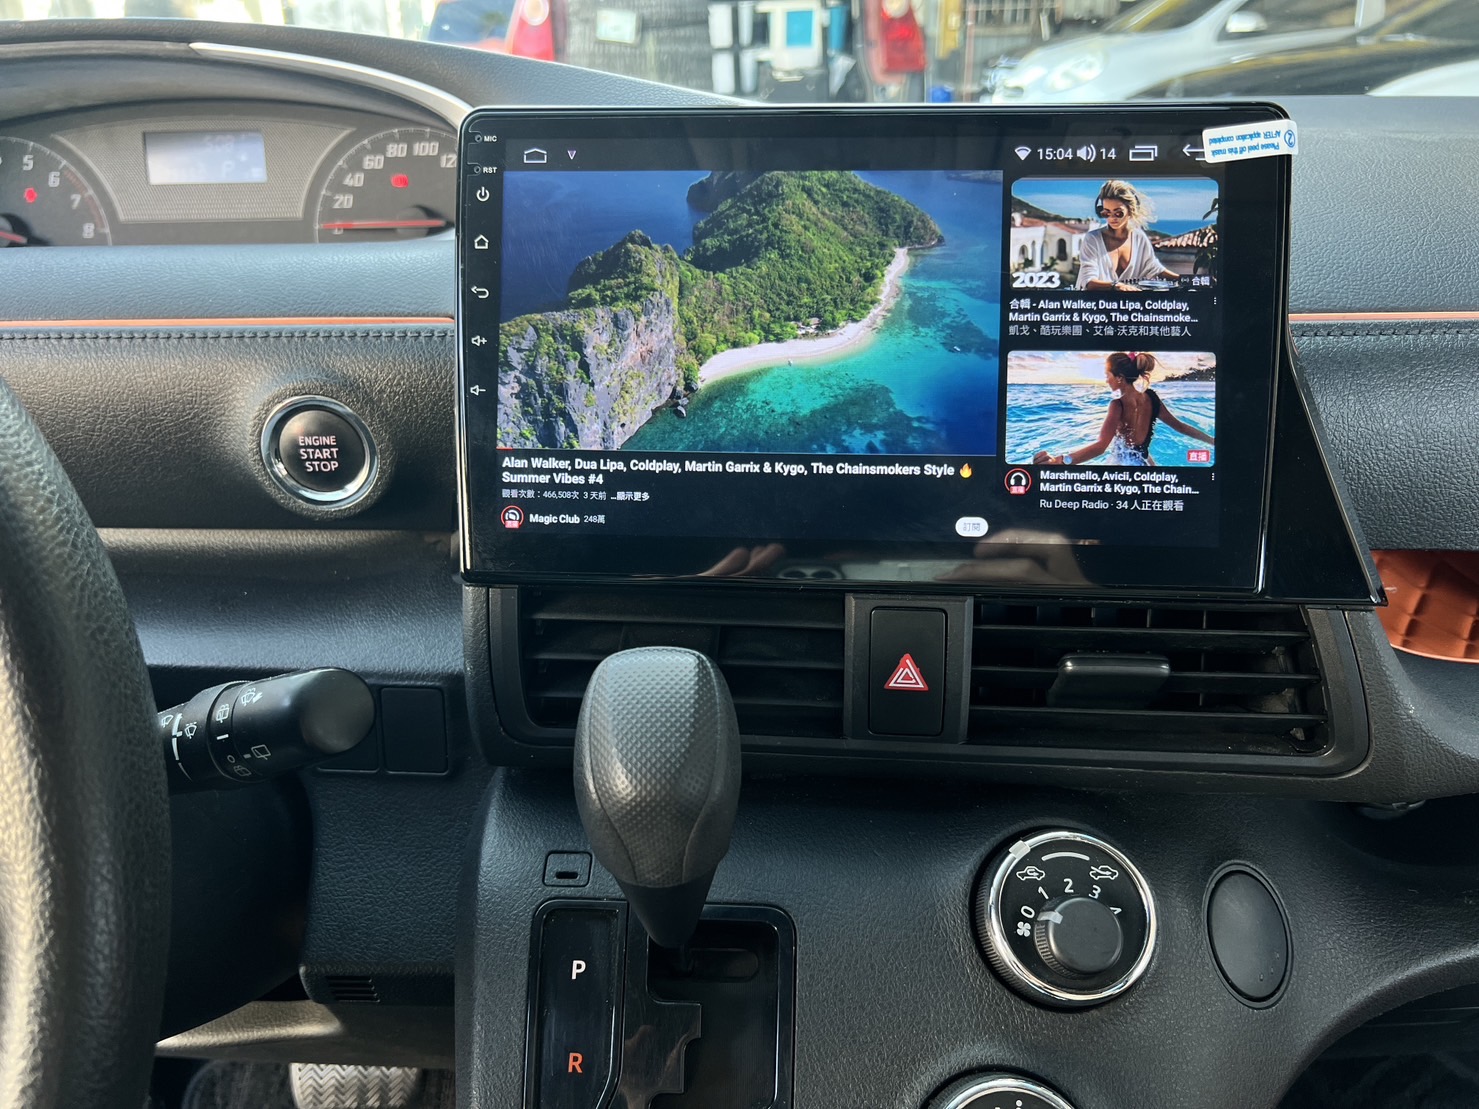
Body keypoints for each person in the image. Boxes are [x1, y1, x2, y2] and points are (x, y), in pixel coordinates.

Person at [1032, 352, 1213, 467]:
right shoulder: (1151, 397)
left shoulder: (1117, 405)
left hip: (1123, 465)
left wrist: (1061, 461)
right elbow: (1180, 427)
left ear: (1119, 378)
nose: (1106, 380)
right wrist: (1213, 441)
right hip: (1143, 463)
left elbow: (1100, 447)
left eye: (1108, 375)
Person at [1075, 181, 1179, 291]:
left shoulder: (1139, 238)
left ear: (1130, 210)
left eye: (1118, 213)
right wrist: (1116, 286)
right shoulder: (1092, 239)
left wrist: (1184, 279)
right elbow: (1088, 282)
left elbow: (1155, 270)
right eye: (1106, 213)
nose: (1112, 218)